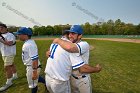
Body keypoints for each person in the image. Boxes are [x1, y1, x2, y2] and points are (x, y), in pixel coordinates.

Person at [45, 29, 101, 93]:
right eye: (70, 34)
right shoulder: (68, 46)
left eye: (73, 34)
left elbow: (50, 51)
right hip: (64, 80)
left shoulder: (56, 44)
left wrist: (56, 41)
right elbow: (82, 69)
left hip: (50, 78)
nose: (71, 36)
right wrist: (97, 69)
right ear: (68, 35)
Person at [16, 27, 45, 93]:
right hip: (33, 66)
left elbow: (34, 59)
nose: (18, 36)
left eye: (19, 34)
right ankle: (46, 82)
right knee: (36, 79)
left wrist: (34, 72)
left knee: (33, 85)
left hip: (32, 67)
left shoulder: (29, 44)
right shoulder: (29, 42)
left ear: (25, 35)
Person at [0, 23, 18, 92]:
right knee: (11, 64)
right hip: (4, 53)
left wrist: (1, 40)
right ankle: (15, 75)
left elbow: (10, 43)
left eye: (2, 27)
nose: (0, 29)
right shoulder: (1, 36)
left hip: (10, 53)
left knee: (6, 67)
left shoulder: (10, 35)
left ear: (6, 28)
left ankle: (9, 82)